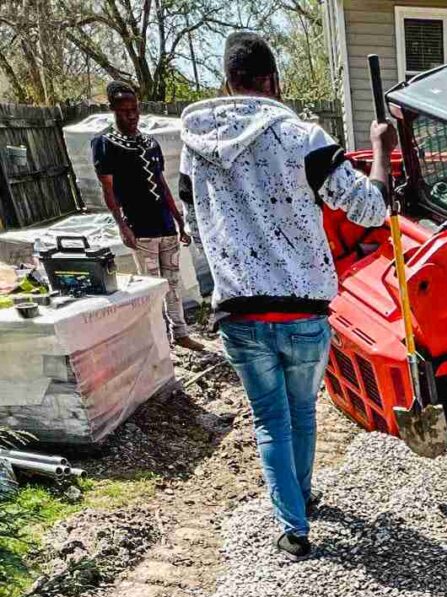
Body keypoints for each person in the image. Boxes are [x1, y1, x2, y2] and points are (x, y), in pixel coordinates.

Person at [180, 32, 395, 559]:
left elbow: (193, 221)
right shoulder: (303, 138)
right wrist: (382, 151)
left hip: (239, 309)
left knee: (269, 419)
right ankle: (298, 509)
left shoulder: (195, 147)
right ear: (273, 81)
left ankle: (294, 521)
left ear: (228, 82)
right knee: (301, 411)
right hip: (303, 307)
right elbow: (372, 209)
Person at [92, 81, 203, 351]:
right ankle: (160, 338)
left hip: (165, 225)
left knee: (174, 282)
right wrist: (122, 227)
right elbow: (108, 190)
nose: (131, 116)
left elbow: (162, 183)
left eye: (135, 110)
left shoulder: (149, 143)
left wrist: (179, 220)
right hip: (140, 229)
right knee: (153, 287)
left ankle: (180, 332)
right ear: (113, 110)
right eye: (124, 111)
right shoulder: (104, 144)